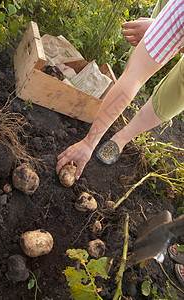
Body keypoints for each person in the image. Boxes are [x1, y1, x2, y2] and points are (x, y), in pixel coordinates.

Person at [56, 0, 184, 283]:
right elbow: (131, 79)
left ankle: (123, 136)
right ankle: (119, 137)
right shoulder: (180, 10)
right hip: (177, 17)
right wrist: (89, 142)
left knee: (179, 90)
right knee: (141, 63)